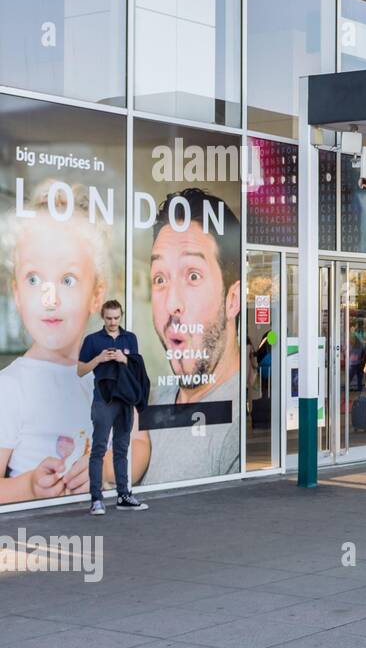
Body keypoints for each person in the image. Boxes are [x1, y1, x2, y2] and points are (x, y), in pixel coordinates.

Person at [0, 180, 149, 508]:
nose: (50, 299)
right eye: (34, 280)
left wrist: (108, 468)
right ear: (16, 293)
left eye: (67, 280)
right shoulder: (10, 388)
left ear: (97, 294)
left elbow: (138, 443)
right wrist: (29, 488)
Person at [141, 188, 242, 483]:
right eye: (160, 278)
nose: (173, 303)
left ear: (232, 299)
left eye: (193, 276)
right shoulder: (148, 400)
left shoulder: (239, 429)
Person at [76, 301, 149, 513]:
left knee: (121, 449)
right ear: (103, 316)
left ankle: (124, 495)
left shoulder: (130, 338)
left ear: (121, 316)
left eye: (116, 318)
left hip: (125, 401)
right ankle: (96, 500)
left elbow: (137, 369)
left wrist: (124, 359)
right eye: (108, 318)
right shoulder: (93, 340)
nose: (112, 322)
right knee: (98, 449)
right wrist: (99, 359)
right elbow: (80, 371)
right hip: (103, 401)